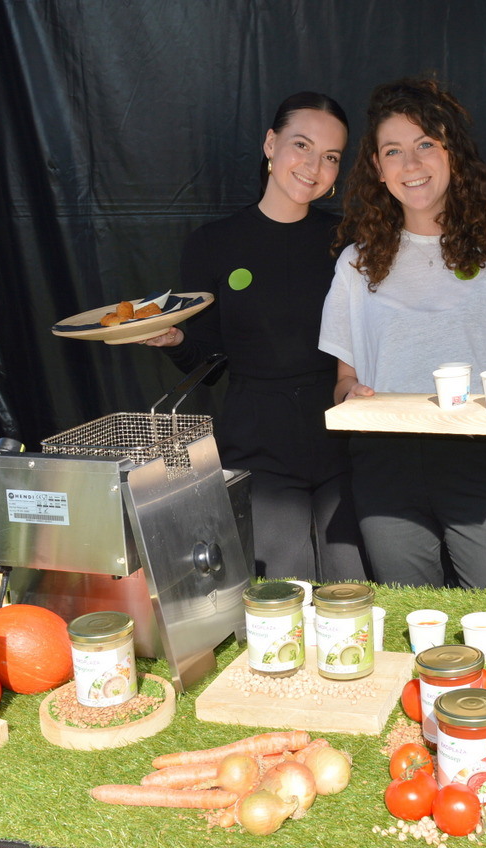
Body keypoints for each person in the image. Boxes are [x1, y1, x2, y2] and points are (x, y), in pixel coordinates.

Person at [319, 77, 486, 592]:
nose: (411, 163)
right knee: (412, 617)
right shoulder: (357, 264)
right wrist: (351, 395)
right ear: (377, 168)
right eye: (394, 151)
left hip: (481, 466)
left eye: (426, 144)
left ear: (453, 154)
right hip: (384, 466)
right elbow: (344, 381)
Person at [143, 92, 367, 583]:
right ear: (270, 144)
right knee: (281, 589)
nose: (314, 166)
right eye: (301, 145)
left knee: (353, 587)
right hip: (258, 440)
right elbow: (211, 362)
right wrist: (176, 341)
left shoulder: (351, 242)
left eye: (330, 157)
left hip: (344, 436)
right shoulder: (213, 243)